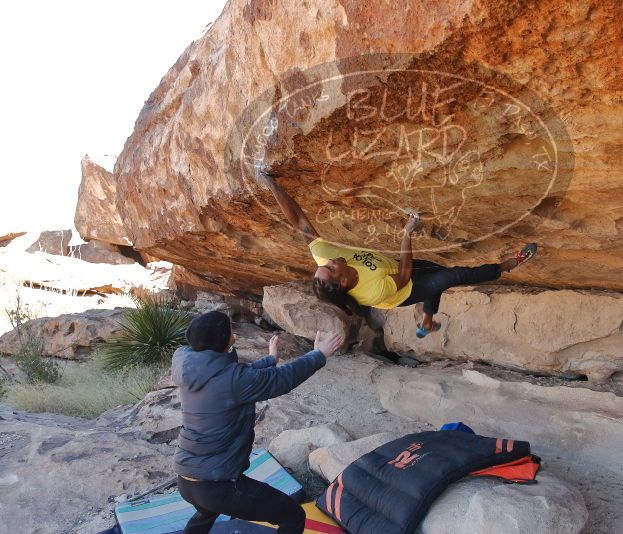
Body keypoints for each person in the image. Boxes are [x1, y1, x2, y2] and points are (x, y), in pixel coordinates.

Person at [257, 166, 538, 338]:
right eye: (330, 268)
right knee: (454, 276)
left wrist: (272, 184)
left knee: (439, 278)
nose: (329, 261)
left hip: (393, 268)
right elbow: (405, 273)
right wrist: (407, 232)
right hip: (403, 290)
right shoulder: (372, 292)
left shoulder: (327, 258)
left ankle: (426, 321)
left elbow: (300, 223)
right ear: (342, 282)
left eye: (326, 264)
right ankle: (509, 265)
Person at [172, 310, 344, 534]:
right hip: (217, 484)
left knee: (207, 510)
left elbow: (240, 376)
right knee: (292, 516)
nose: (233, 332)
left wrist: (270, 359)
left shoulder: (192, 367)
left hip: (187, 480)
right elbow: (282, 379)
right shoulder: (233, 380)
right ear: (223, 338)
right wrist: (319, 354)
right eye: (230, 329)